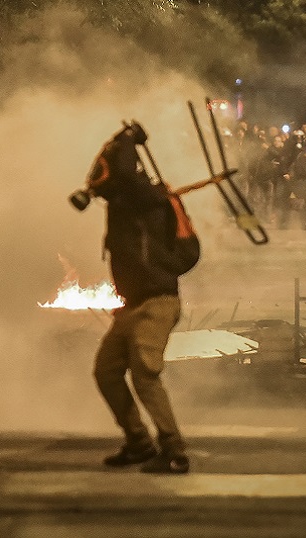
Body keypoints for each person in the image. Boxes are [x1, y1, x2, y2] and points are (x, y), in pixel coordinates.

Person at [80, 122, 191, 474]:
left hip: (155, 303)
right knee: (107, 372)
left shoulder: (143, 198)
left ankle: (173, 450)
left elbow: (124, 173)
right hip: (131, 307)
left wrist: (125, 141)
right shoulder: (126, 199)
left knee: (145, 376)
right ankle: (139, 442)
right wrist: (117, 141)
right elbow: (117, 173)